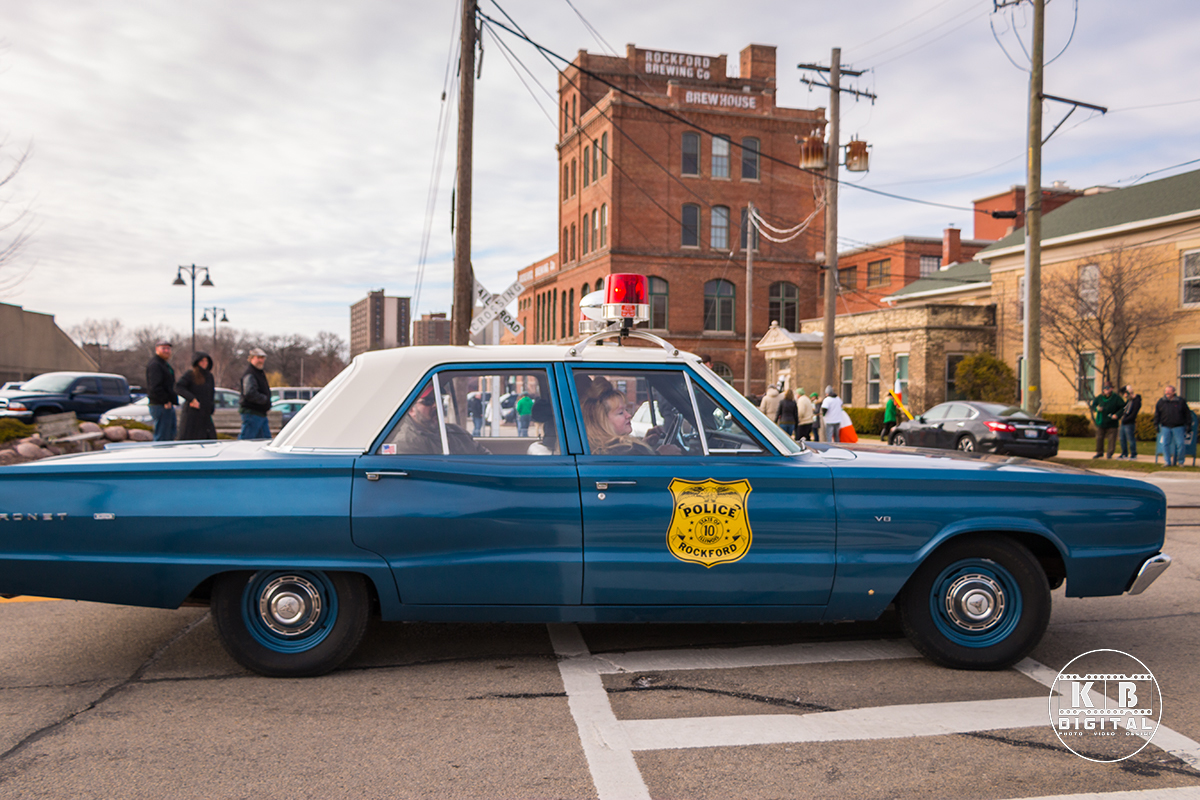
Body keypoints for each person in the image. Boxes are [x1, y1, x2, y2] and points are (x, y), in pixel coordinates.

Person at [387, 385, 490, 455]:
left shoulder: (456, 432)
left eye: (438, 400)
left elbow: (485, 457)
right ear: (411, 409)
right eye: (428, 401)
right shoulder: (406, 442)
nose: (436, 405)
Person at [582, 387, 681, 455]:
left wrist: (645, 444)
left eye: (627, 410)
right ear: (603, 422)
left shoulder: (605, 448)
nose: (629, 415)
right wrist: (660, 455)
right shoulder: (623, 450)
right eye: (621, 413)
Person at [176, 352, 217, 441]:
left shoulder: (209, 376)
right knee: (190, 438)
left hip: (205, 414)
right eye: (202, 361)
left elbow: (211, 393)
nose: (204, 363)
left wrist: (211, 406)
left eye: (206, 361)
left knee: (209, 438)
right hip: (192, 414)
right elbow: (178, 387)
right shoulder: (190, 375)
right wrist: (192, 399)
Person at [145, 340, 177, 441]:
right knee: (162, 436)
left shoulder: (164, 364)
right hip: (160, 405)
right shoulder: (155, 365)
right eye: (163, 348)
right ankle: (160, 455)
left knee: (170, 434)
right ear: (157, 349)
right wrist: (165, 400)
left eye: (168, 349)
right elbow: (155, 387)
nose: (166, 351)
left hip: (166, 405)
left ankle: (168, 454)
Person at [238, 348, 273, 440]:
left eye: (263, 358)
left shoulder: (258, 373)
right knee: (246, 441)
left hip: (260, 413)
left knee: (264, 441)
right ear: (252, 358)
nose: (261, 360)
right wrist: (264, 400)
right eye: (258, 358)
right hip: (252, 413)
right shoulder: (250, 374)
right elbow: (249, 393)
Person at [1153, 384, 1191, 467]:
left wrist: (1188, 425)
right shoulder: (1161, 401)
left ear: (1174, 392)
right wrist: (1156, 423)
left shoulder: (1180, 401)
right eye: (1166, 392)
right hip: (1165, 426)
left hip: (1178, 426)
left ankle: (1180, 461)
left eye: (1169, 392)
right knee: (1165, 444)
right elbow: (1157, 414)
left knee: (1180, 444)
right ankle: (1167, 461)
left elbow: (1187, 414)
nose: (1167, 393)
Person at [1090, 382, 1123, 459]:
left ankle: (1110, 453)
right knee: (1099, 438)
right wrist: (1097, 409)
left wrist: (1117, 415)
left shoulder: (1116, 398)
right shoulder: (1100, 397)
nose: (1106, 390)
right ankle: (1099, 452)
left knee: (1111, 439)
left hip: (1112, 422)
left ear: (1111, 389)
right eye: (1105, 388)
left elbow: (1123, 408)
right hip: (1101, 422)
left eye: (1108, 388)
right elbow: (1093, 405)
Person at [1117, 385, 1142, 460]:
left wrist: (1126, 419)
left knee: (1130, 439)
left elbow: (1133, 413)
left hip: (1129, 423)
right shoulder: (1129, 401)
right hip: (1124, 422)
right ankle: (1124, 453)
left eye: (1125, 394)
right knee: (1122, 438)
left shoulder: (1136, 401)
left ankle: (1133, 453)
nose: (1125, 396)